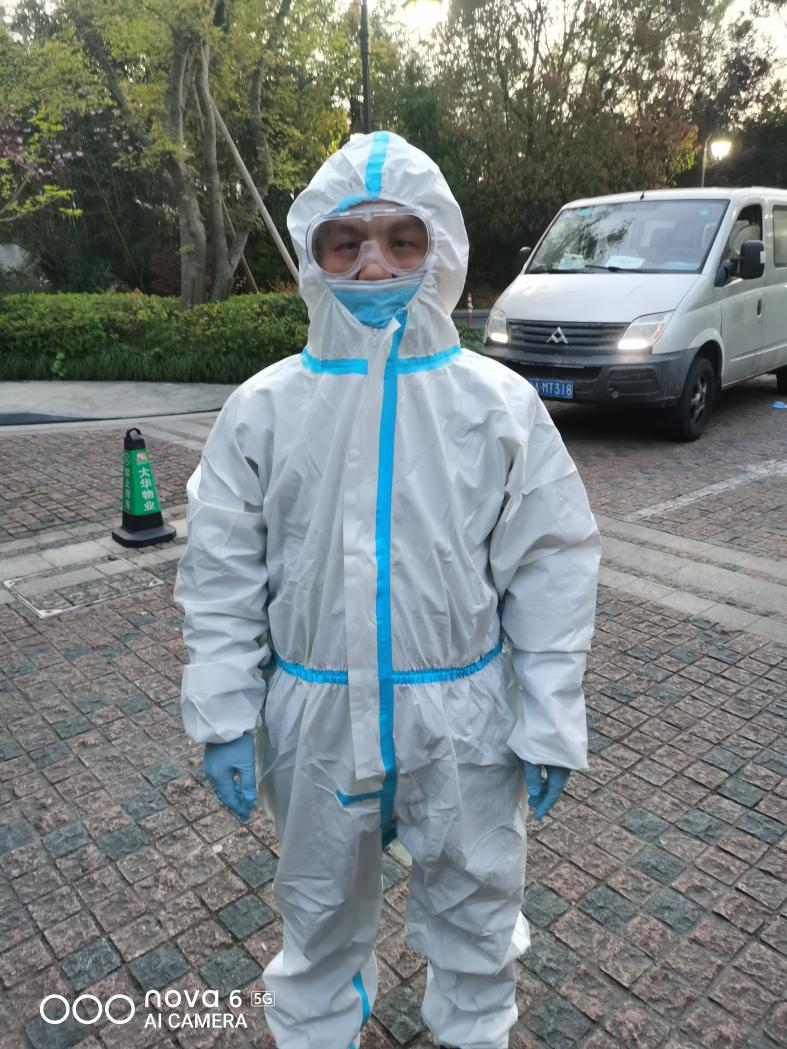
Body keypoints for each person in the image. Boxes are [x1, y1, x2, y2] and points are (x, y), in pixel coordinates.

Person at [174, 131, 601, 1049]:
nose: (373, 263)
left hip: (463, 719)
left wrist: (548, 712)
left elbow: (551, 562)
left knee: (478, 906)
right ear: (313, 259)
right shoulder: (264, 409)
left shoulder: (495, 405)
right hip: (316, 719)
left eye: (402, 241)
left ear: (439, 250)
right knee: (316, 910)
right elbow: (220, 571)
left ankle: (474, 1031)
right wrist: (222, 709)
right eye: (346, 243)